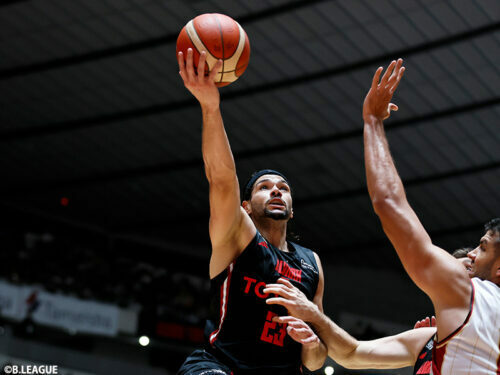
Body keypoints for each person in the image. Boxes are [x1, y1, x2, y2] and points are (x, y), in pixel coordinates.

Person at [265, 60, 500, 375]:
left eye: (482, 248)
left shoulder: (469, 295)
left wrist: (373, 120)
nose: (471, 253)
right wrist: (314, 316)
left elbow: (389, 203)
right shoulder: (434, 336)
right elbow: (353, 353)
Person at [175, 48, 327, 375]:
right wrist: (210, 107)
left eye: (283, 188)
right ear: (245, 206)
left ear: (291, 209)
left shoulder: (312, 263)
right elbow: (221, 178)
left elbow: (315, 362)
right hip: (221, 367)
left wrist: (312, 344)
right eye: (264, 187)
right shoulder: (237, 236)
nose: (276, 190)